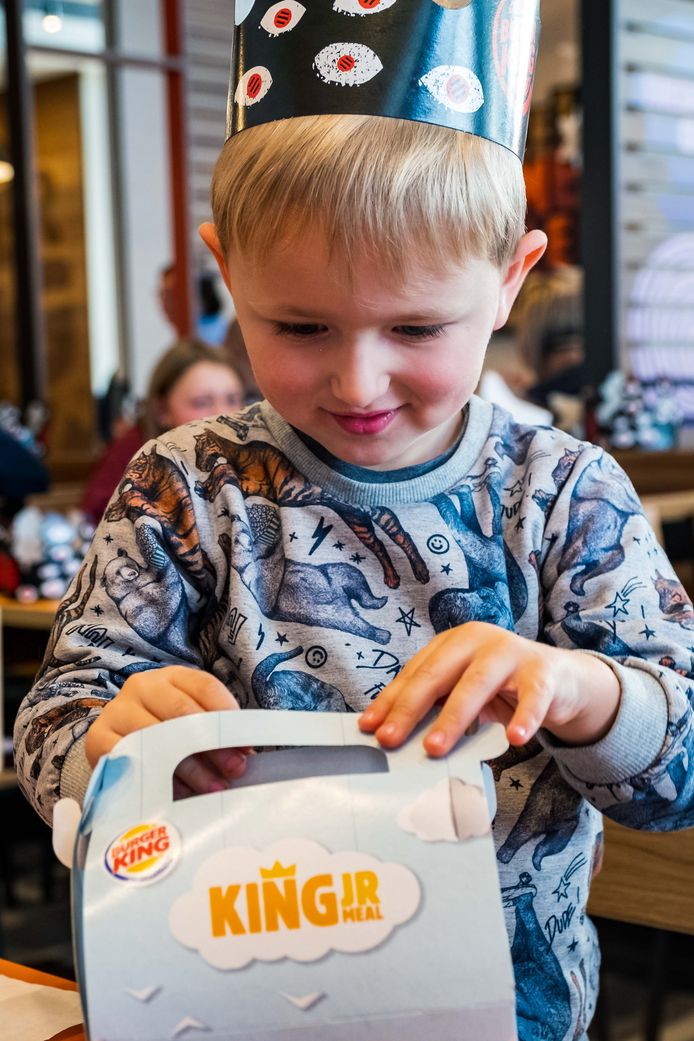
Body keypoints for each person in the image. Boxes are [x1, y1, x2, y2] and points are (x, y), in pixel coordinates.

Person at [14, 6, 693, 1040]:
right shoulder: (185, 487)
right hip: (216, 990)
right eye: (299, 326)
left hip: (511, 1014)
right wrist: (104, 741)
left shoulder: (562, 494)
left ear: (509, 279)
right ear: (228, 273)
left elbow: (677, 774)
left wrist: (581, 690)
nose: (357, 378)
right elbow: (50, 729)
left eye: (416, 327)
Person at [80, 338, 244, 522]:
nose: (222, 414)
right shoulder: (133, 455)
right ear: (162, 410)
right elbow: (95, 519)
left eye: (232, 400)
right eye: (202, 403)